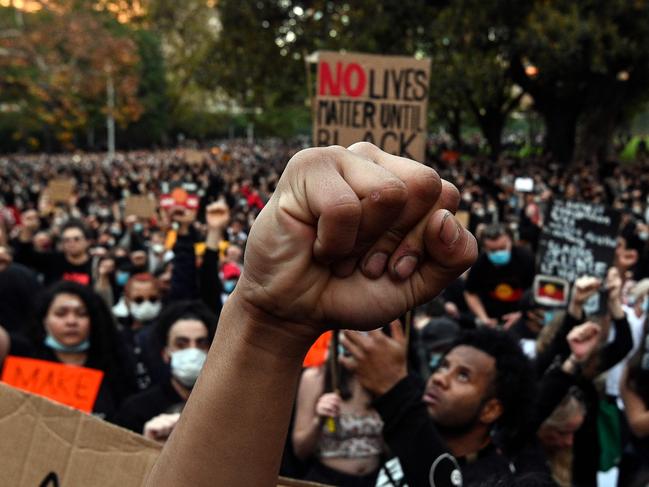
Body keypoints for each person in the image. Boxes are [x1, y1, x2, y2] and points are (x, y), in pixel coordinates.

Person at [144, 143, 478, 487]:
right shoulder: (316, 380)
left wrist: (397, 394)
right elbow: (300, 447)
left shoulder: (412, 389)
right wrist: (270, 325)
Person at [0, 281, 135, 419]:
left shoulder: (116, 363)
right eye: (60, 314)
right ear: (44, 320)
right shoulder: (23, 355)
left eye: (81, 314)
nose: (71, 321)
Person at [292, 331, 385, 486]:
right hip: (327, 480)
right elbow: (300, 450)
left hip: (375, 480)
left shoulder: (380, 380)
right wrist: (319, 419)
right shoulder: (315, 378)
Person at [113, 300, 217, 434]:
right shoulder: (136, 410)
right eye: (181, 344)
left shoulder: (227, 406)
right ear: (165, 354)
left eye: (201, 344)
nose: (193, 351)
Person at [463, 223, 535, 329]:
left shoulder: (526, 258)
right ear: (485, 248)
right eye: (493, 250)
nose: (498, 253)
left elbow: (534, 291)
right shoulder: (480, 263)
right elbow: (470, 292)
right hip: (491, 320)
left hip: (519, 320)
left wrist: (521, 314)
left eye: (502, 248)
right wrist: (484, 318)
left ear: (511, 241)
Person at [14, 214, 94, 286]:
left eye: (76, 239)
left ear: (87, 242)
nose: (71, 243)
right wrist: (27, 230)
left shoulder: (95, 265)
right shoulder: (53, 260)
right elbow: (25, 257)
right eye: (66, 240)